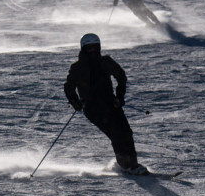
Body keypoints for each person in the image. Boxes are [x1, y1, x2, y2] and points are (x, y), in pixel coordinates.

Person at [63, 34, 147, 175]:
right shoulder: (77, 67)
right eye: (89, 48)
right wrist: (75, 102)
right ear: (83, 49)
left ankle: (132, 164)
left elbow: (121, 77)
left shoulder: (106, 62)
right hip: (92, 108)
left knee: (126, 132)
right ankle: (127, 166)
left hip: (111, 103)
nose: (92, 51)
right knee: (116, 134)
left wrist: (119, 97)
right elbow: (68, 87)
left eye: (95, 48)